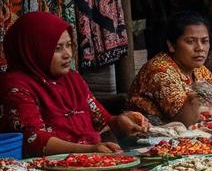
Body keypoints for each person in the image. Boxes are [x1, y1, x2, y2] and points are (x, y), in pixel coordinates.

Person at [1, 12, 148, 156]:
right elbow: (33, 140)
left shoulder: (72, 79)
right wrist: (89, 150)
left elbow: (101, 119)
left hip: (88, 161)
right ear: (33, 50)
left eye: (69, 45)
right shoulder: (16, 86)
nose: (67, 54)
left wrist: (120, 122)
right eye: (57, 48)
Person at [127, 12, 212, 126]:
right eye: (190, 41)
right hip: (149, 138)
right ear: (171, 45)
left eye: (205, 41)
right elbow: (187, 120)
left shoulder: (199, 69)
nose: (200, 48)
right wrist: (209, 102)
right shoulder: (159, 70)